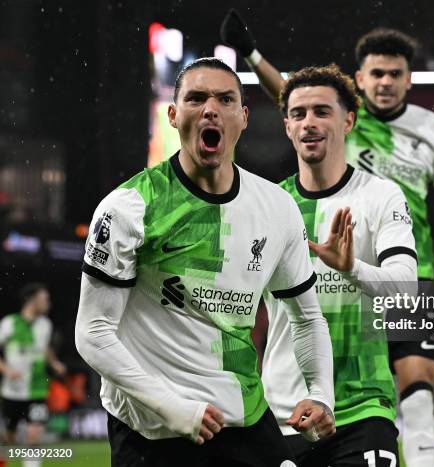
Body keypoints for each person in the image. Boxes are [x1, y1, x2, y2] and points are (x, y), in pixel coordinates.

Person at [221, 13, 434, 467]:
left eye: (395, 73)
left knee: (417, 394)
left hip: (406, 272)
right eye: (376, 73)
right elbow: (289, 94)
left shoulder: (429, 133)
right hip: (288, 395)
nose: (385, 82)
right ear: (360, 80)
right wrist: (252, 53)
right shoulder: (308, 151)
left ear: (409, 80)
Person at [75, 57, 335, 467]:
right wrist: (171, 406)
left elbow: (306, 319)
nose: (210, 108)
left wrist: (321, 393)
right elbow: (92, 331)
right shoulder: (129, 208)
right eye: (196, 98)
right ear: (174, 116)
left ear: (243, 117)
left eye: (225, 99)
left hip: (243, 417)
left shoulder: (277, 209)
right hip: (152, 430)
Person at [262, 65, 418, 466]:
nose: (309, 123)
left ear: (348, 120)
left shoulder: (381, 196)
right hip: (285, 411)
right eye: (298, 114)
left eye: (321, 111)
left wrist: (353, 268)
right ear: (287, 127)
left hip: (363, 406)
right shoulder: (266, 207)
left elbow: (406, 289)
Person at [0, 283, 66, 467]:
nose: (48, 303)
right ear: (31, 300)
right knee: (9, 437)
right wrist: (6, 370)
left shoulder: (45, 325)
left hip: (37, 389)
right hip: (12, 391)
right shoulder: (8, 323)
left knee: (34, 434)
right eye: (45, 298)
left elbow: (45, 349)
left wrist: (54, 363)